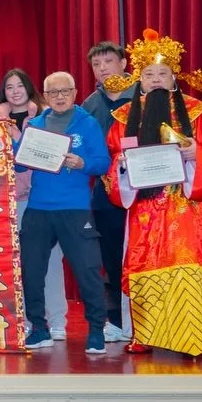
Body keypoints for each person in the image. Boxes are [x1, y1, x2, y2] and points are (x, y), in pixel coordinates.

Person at [103, 30, 202, 356]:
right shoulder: (123, 117)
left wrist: (195, 155)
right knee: (143, 263)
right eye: (149, 74)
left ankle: (188, 337)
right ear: (139, 80)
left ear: (173, 77)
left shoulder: (199, 112)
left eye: (162, 74)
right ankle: (144, 333)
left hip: (186, 205)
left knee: (185, 263)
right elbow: (112, 159)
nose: (156, 80)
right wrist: (124, 165)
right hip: (143, 207)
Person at [15, 72, 112, 355]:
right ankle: (39, 327)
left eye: (65, 91)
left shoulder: (88, 123)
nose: (59, 97)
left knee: (88, 271)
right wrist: (4, 146)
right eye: (53, 92)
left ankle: (96, 331)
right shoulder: (34, 124)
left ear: (75, 92)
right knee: (31, 271)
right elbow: (20, 165)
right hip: (38, 209)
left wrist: (82, 162)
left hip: (75, 208)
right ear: (45, 96)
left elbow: (103, 163)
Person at [0, 67, 68, 341]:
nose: (15, 91)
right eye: (9, 87)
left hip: (42, 200)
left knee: (50, 262)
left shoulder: (47, 117)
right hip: (6, 201)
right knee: (15, 264)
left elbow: (36, 155)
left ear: (29, 88)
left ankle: (57, 318)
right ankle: (24, 319)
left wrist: (16, 135)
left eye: (19, 86)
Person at [81, 41, 137, 343]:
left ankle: (149, 319)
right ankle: (115, 319)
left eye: (108, 62)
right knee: (112, 258)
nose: (103, 69)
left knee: (145, 256)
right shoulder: (89, 105)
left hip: (145, 194)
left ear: (124, 63)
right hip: (105, 195)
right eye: (97, 64)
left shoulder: (145, 95)